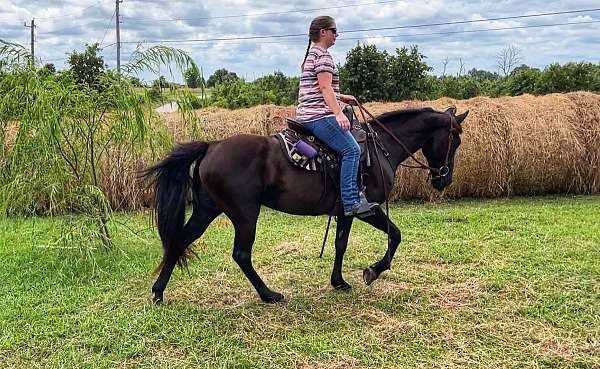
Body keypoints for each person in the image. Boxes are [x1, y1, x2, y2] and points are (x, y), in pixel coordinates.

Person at [296, 16, 378, 218]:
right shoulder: (323, 56)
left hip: (306, 114)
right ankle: (351, 202)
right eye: (334, 31)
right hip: (317, 116)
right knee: (352, 149)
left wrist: (341, 97)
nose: (336, 35)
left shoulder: (311, 54)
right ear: (323, 32)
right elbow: (324, 87)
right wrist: (338, 112)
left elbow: (317, 88)